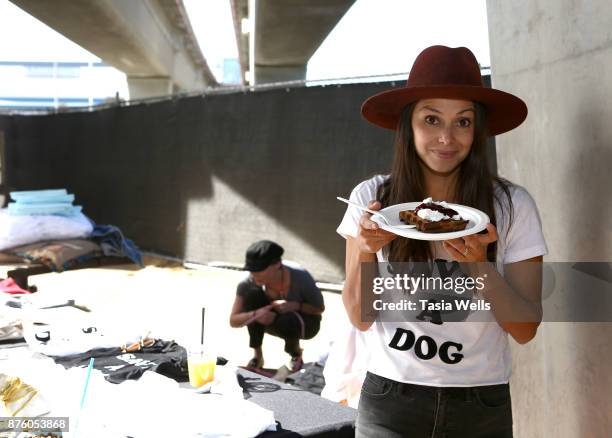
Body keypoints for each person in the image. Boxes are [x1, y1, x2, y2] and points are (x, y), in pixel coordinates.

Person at [337, 45, 547, 437]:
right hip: (389, 400)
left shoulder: (512, 205)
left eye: (463, 122)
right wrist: (367, 249)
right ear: (408, 124)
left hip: (480, 403)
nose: (447, 137)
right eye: (431, 119)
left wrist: (479, 265)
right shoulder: (373, 200)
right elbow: (360, 318)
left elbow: (525, 327)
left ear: (478, 129)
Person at [229, 240, 325, 372]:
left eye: (259, 269)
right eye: (251, 270)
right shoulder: (249, 281)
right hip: (269, 320)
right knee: (252, 294)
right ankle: (258, 356)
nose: (254, 274)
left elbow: (319, 309)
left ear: (277, 264)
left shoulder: (300, 277)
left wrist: (295, 305)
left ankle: (295, 353)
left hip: (305, 323)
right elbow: (233, 321)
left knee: (288, 320)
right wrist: (256, 314)